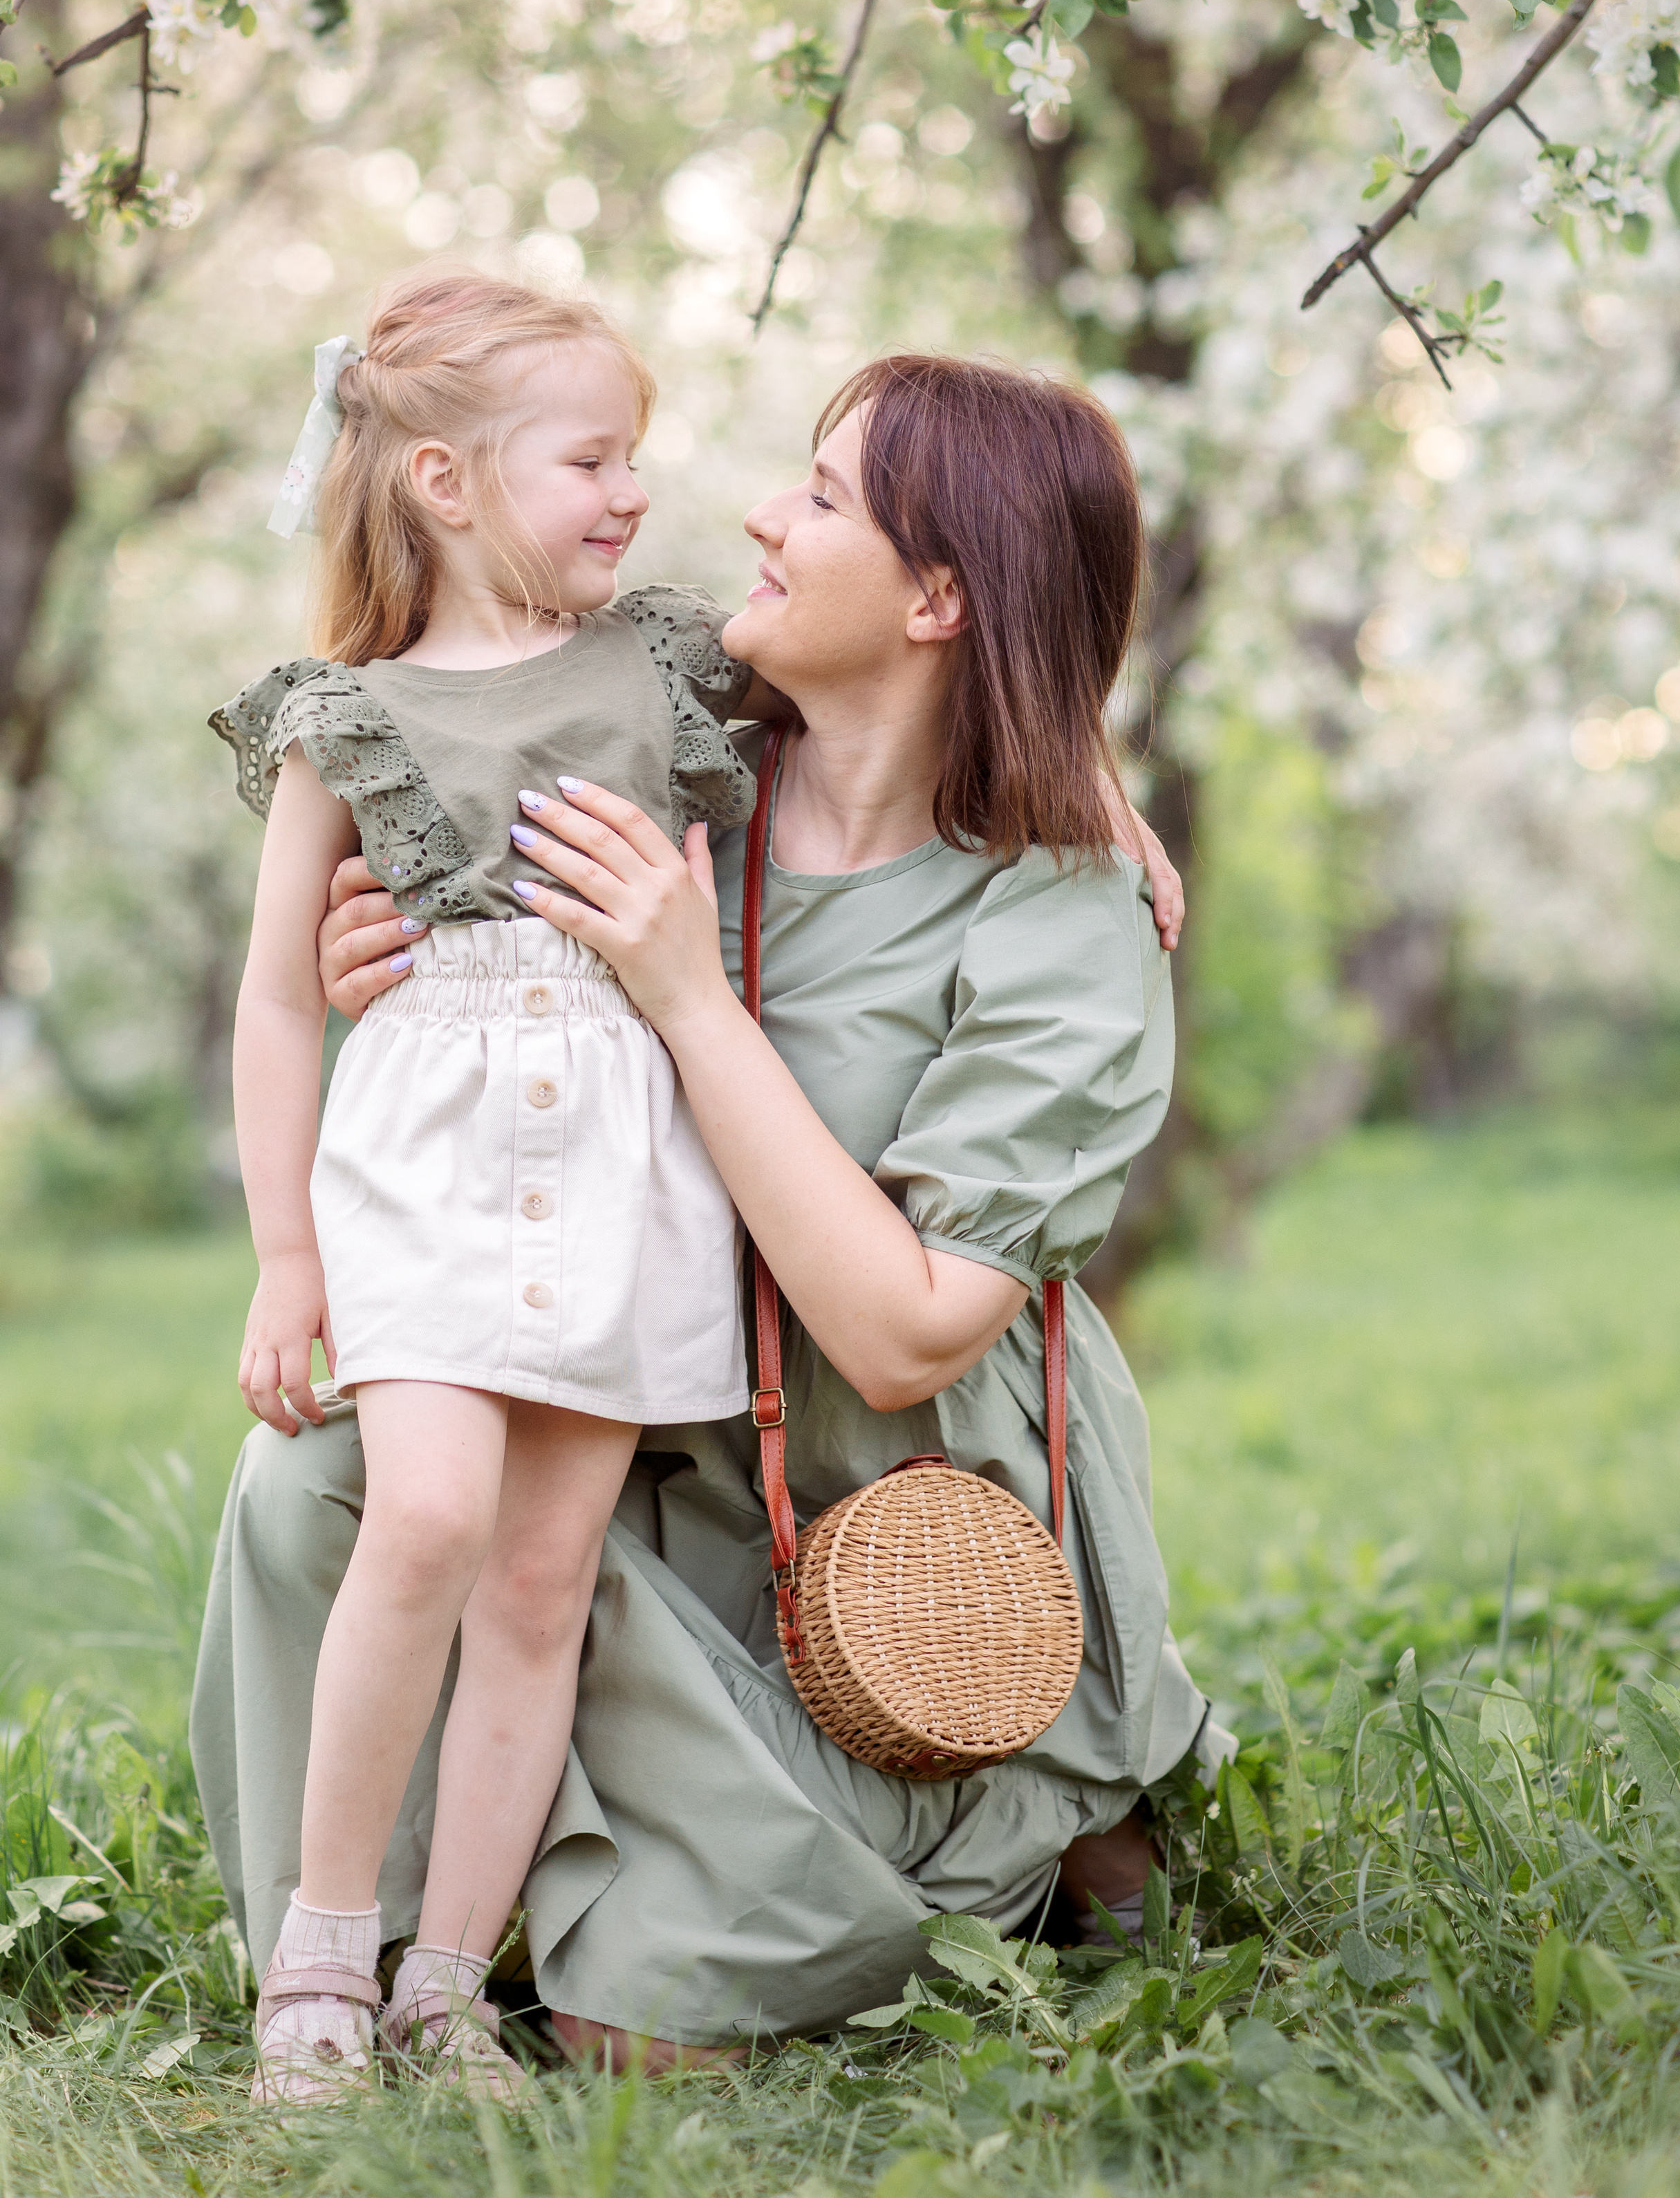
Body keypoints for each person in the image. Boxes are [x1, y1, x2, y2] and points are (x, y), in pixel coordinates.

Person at [191, 344, 1218, 2075]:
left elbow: (898, 1338)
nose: (753, 508)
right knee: (323, 1469)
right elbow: (451, 855)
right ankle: (348, 1938)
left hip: (865, 1517)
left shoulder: (1058, 920)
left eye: (820, 499)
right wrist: (365, 957)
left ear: (941, 596)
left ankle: (1040, 1817)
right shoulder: (684, 754)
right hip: (645, 1417)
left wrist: (688, 997)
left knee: (635, 2042)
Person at [208, 268, 772, 2103]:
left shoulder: (670, 661)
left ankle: (450, 1984)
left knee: (539, 1581)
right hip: (430, 1170)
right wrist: (286, 1256)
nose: (631, 494)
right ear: (445, 483)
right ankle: (319, 1961)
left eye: (638, 460)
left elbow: (911, 690)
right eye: (591, 459)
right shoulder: (344, 716)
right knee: (430, 1515)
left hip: (620, 1175)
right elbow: (282, 1000)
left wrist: (1102, 788)